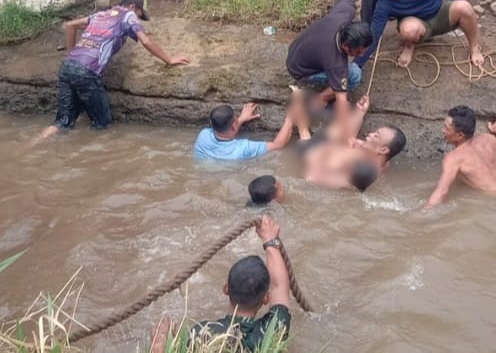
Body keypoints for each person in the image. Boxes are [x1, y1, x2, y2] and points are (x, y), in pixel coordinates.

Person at [36, 0, 190, 141]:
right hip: (87, 73)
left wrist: (71, 54)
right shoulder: (128, 15)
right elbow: (146, 41)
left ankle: (30, 145)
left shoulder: (101, 14)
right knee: (102, 126)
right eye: (139, 14)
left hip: (67, 67)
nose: (138, 19)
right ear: (132, 7)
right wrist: (169, 60)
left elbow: (70, 25)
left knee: (62, 123)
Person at [150, 215, 291, 353]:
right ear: (266, 298)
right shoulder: (271, 332)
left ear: (226, 289)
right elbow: (280, 287)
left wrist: (169, 346)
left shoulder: (201, 334)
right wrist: (270, 241)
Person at [286, 0, 372, 135]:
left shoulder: (343, 16)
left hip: (297, 51)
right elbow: (342, 100)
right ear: (346, 46)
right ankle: (321, 99)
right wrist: (348, 136)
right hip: (301, 70)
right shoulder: (335, 62)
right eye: (357, 52)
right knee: (354, 73)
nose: (362, 54)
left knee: (348, 73)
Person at [353, 0, 483, 70]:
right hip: (415, 24)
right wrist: (356, 66)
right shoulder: (384, 3)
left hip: (439, 15)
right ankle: (409, 47)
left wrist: (468, 12)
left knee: (465, 7)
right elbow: (375, 34)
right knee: (409, 30)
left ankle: (474, 47)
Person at [293, 94, 407, 191]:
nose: (371, 134)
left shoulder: (361, 172)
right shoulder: (382, 161)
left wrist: (324, 153)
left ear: (383, 150)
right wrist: (360, 112)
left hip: (313, 152)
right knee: (342, 123)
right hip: (330, 149)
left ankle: (299, 120)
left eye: (376, 135)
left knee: (310, 131)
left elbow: (313, 178)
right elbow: (350, 140)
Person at [425, 106, 496, 206]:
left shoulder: (453, 158)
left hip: (488, 204)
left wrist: (424, 212)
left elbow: (441, 193)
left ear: (460, 135)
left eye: (446, 128)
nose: (443, 130)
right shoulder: (487, 139)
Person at [194, 103, 294, 161]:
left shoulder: (203, 136)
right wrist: (290, 117)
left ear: (211, 123)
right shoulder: (243, 149)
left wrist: (241, 119)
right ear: (233, 127)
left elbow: (226, 133)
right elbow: (279, 145)